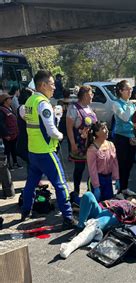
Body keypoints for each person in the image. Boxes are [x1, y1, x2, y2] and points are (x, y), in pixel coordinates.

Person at [20, 70, 76, 228]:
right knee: (61, 184)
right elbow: (51, 131)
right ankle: (68, 217)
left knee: (31, 183)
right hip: (46, 152)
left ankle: (25, 211)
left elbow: (23, 114)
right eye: (51, 84)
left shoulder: (30, 101)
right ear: (42, 85)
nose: (54, 87)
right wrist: (60, 136)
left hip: (33, 152)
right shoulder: (43, 103)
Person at [59, 191, 136, 259]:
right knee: (88, 195)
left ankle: (70, 246)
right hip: (101, 210)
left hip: (113, 216)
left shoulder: (133, 208)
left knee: (94, 225)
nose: (135, 201)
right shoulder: (117, 199)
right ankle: (80, 226)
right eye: (134, 199)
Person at [66, 85, 97, 199]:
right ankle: (76, 191)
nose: (92, 96)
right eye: (90, 94)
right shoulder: (73, 108)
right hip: (79, 145)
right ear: (84, 95)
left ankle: (91, 191)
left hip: (91, 145)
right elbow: (69, 128)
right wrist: (73, 144)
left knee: (93, 169)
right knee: (79, 169)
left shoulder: (89, 108)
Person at [112, 80, 136, 196]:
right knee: (121, 164)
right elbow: (125, 118)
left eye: (131, 89)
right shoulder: (116, 103)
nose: (130, 91)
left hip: (132, 138)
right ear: (121, 91)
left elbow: (134, 121)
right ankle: (118, 190)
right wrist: (129, 104)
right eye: (127, 89)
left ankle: (125, 188)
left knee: (129, 164)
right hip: (121, 137)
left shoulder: (131, 103)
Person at [86, 121, 119, 201]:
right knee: (96, 203)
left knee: (108, 203)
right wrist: (96, 186)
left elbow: (114, 163)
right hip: (97, 179)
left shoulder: (111, 144)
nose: (107, 130)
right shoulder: (92, 149)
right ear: (97, 133)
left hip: (108, 179)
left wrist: (117, 178)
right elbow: (92, 170)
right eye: (103, 128)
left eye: (106, 128)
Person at [0, 93, 21, 169]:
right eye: (9, 99)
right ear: (5, 101)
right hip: (8, 135)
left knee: (13, 149)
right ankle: (7, 165)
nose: (11, 100)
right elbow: (1, 124)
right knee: (7, 150)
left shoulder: (10, 108)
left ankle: (15, 163)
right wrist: (6, 134)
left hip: (13, 133)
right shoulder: (2, 110)